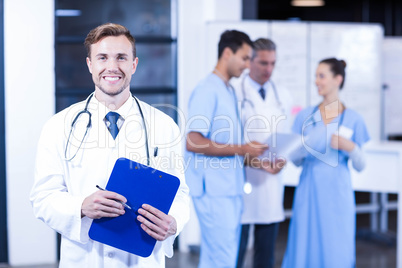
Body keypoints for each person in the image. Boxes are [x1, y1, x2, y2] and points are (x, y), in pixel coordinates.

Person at [30, 23, 190, 268]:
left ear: (134, 64)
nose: (112, 67)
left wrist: (174, 222)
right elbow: (42, 197)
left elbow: (179, 194)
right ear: (90, 65)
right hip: (84, 259)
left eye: (121, 58)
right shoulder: (59, 126)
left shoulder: (164, 125)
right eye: (102, 57)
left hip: (139, 259)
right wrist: (81, 206)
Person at [185, 30, 272, 268]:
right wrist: (243, 147)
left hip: (228, 188)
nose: (247, 65)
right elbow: (193, 140)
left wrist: (258, 162)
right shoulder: (207, 89)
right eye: (244, 58)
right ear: (227, 53)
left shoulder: (228, 90)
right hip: (214, 191)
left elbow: (228, 148)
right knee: (222, 258)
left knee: (219, 258)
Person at [281, 58, 370, 268]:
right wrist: (301, 149)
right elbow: (294, 160)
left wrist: (351, 147)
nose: (316, 81)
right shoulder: (305, 116)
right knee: (305, 245)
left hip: (337, 195)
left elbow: (361, 165)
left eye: (322, 76)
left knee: (336, 248)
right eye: (316, 76)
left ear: (337, 79)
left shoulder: (353, 118)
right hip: (309, 192)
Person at [233, 38, 292, 268]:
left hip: (271, 181)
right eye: (263, 63)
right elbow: (230, 142)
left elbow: (286, 135)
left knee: (266, 253)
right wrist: (255, 160)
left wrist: (283, 159)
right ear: (250, 61)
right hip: (243, 177)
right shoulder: (236, 92)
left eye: (273, 63)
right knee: (236, 250)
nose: (269, 69)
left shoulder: (283, 94)